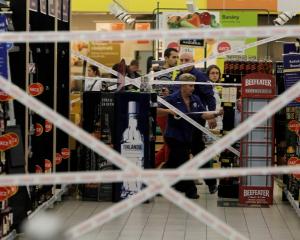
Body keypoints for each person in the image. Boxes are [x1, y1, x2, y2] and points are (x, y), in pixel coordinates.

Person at [157, 73, 223, 199]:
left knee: (172, 163)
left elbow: (202, 114)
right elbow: (156, 111)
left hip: (189, 135)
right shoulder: (171, 99)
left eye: (193, 85)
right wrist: (169, 111)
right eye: (190, 85)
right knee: (184, 162)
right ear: (182, 86)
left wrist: (216, 114)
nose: (193, 88)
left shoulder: (195, 99)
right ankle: (190, 191)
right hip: (174, 137)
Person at [176, 53, 218, 194]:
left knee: (198, 152)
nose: (183, 62)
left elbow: (210, 97)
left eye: (186, 60)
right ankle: (185, 186)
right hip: (179, 122)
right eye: (181, 60)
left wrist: (212, 115)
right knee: (179, 154)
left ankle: (211, 183)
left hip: (195, 121)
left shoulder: (200, 77)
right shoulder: (178, 76)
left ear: (193, 61)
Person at [154, 48, 179, 168]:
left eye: (176, 57)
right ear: (166, 58)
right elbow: (166, 95)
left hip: (165, 111)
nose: (176, 60)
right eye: (173, 57)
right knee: (170, 143)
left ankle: (150, 165)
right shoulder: (163, 74)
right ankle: (168, 169)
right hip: (164, 112)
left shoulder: (169, 73)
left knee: (168, 143)